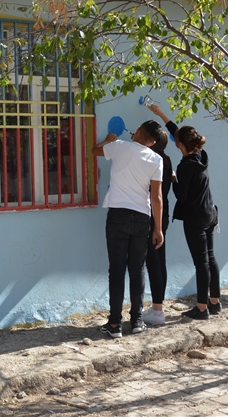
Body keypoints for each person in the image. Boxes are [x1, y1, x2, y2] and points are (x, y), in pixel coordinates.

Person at [92, 121, 165, 338]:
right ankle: (137, 320)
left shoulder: (120, 146)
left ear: (139, 131)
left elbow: (94, 150)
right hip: (142, 217)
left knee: (116, 269)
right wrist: (158, 228)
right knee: (137, 269)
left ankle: (114, 324)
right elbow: (157, 197)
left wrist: (108, 140)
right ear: (152, 142)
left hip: (118, 215)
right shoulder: (156, 159)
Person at [150, 108, 220, 321]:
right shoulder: (201, 156)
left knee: (201, 263)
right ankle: (214, 302)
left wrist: (173, 179)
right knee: (210, 257)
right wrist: (162, 115)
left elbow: (181, 195)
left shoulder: (185, 167)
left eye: (176, 139)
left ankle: (201, 308)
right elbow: (177, 132)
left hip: (195, 218)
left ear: (180, 144)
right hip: (211, 213)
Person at [142, 105, 174, 325]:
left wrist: (156, 227)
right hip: (162, 215)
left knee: (153, 261)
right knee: (159, 260)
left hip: (154, 215)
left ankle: (157, 310)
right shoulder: (167, 160)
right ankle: (157, 307)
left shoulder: (153, 162)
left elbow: (154, 196)